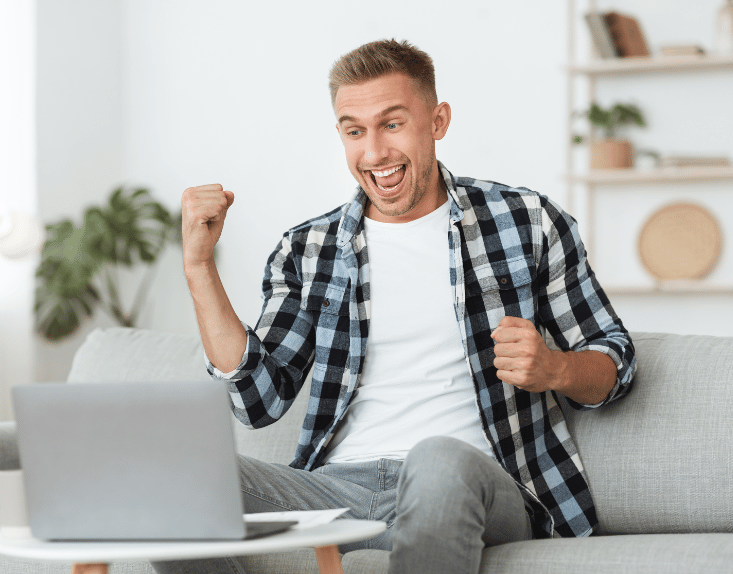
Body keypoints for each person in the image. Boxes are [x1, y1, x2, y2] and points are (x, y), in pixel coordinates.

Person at [159, 39, 637, 574]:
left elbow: (614, 361)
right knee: (178, 475)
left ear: (437, 121)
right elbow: (258, 401)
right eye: (354, 131)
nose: (375, 154)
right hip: (337, 491)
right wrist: (199, 269)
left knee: (436, 458)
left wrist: (556, 367)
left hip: (473, 479)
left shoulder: (524, 220)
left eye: (392, 124)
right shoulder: (308, 249)